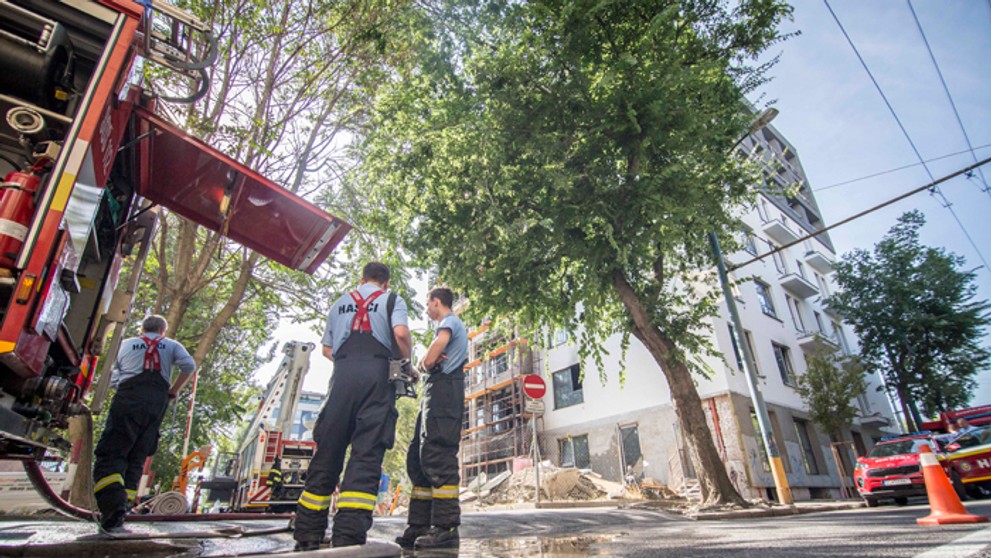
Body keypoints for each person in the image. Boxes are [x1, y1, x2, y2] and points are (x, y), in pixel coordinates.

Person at [293, 262, 411, 550]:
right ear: (386, 283)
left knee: (328, 450)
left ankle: (308, 531)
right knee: (366, 454)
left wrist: (350, 364)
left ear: (361, 279)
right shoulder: (392, 300)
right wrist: (406, 363)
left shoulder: (340, 303)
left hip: (342, 378)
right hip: (377, 378)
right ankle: (348, 535)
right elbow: (400, 334)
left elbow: (327, 349)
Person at [92, 315, 196, 532]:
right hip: (156, 402)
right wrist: (173, 391)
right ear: (163, 331)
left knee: (112, 452)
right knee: (138, 454)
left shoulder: (125, 344)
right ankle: (125, 505)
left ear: (142, 329)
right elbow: (189, 366)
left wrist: (122, 388)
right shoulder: (172, 345)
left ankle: (112, 505)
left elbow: (112, 376)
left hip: (128, 398)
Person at [396, 287, 468, 550]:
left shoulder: (450, 322)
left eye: (428, 304)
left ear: (437, 302)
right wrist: (426, 365)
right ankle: (420, 525)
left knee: (438, 456)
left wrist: (426, 362)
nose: (427, 309)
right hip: (434, 392)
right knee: (419, 458)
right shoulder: (448, 324)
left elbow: (436, 348)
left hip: (444, 392)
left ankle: (446, 528)